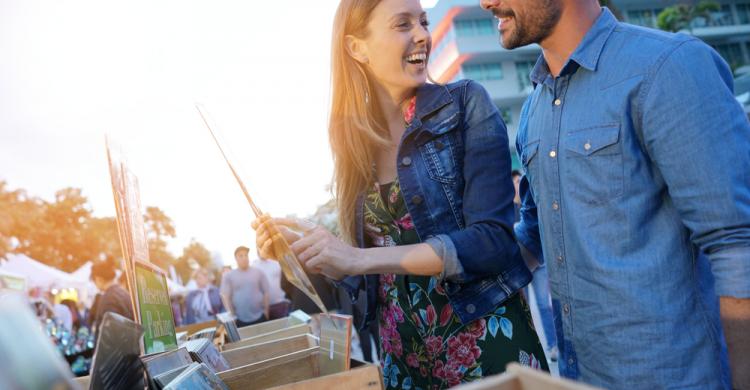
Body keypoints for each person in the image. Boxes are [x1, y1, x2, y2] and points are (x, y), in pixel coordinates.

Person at [254, 0, 548, 387]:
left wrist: (357, 258)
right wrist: (311, 253)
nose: (423, 35)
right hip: (401, 362)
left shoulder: (465, 104)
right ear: (356, 47)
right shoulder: (350, 140)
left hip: (484, 345)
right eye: (403, 24)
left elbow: (493, 242)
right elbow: (374, 278)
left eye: (423, 21)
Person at [479, 0, 750, 388]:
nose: (485, 2)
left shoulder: (667, 67)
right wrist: (446, 259)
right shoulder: (532, 109)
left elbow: (737, 245)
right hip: (582, 377)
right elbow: (536, 236)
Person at [512, 170, 557, 362]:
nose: (516, 183)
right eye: (514, 181)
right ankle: (528, 350)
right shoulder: (507, 205)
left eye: (518, 180)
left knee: (543, 304)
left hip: (540, 262)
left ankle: (552, 345)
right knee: (524, 305)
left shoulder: (530, 196)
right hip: (521, 255)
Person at [220, 246, 270, 327]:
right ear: (235, 258)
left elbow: (266, 292)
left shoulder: (258, 272)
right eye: (241, 256)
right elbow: (225, 296)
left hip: (260, 317)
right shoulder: (229, 276)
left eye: (246, 255)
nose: (244, 258)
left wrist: (266, 311)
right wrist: (232, 315)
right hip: (240, 320)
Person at [90, 261, 134, 335]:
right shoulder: (124, 293)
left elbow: (111, 333)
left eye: (94, 281)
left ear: (98, 279)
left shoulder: (109, 298)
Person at [252, 252, 291, 319]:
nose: (259, 251)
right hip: (263, 308)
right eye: (257, 248)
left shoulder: (276, 262)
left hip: (280, 304)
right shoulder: (254, 266)